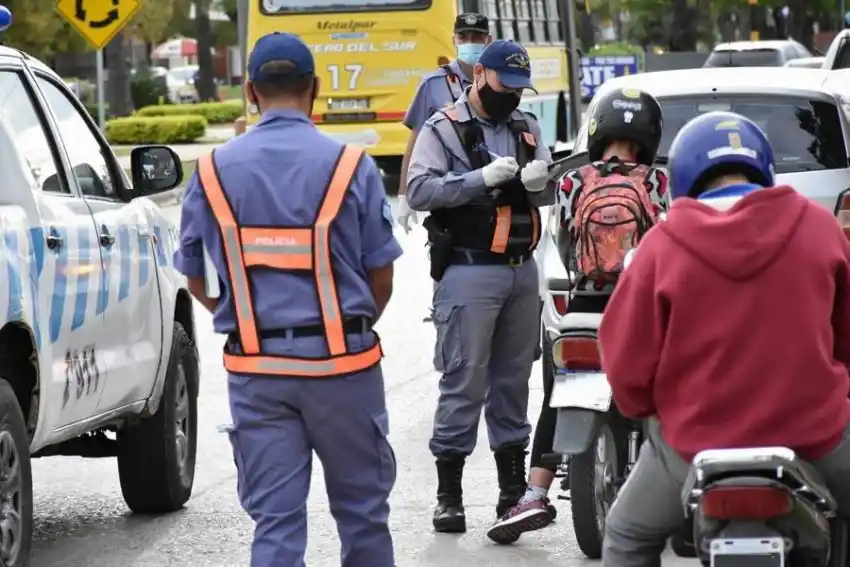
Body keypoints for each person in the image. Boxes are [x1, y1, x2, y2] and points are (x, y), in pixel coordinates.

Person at [172, 32, 402, 567]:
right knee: (364, 516)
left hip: (258, 372)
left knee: (275, 525)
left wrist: (249, 323)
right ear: (314, 90)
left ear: (250, 92)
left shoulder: (210, 172)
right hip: (345, 368)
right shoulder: (352, 166)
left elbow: (198, 282)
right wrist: (344, 331)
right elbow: (381, 277)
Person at [597, 111, 850, 567]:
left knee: (626, 537)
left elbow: (627, 368)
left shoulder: (661, 246)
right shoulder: (821, 228)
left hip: (693, 441)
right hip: (815, 434)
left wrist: (648, 409)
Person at [486, 86, 668, 544]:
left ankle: (533, 493)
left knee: (560, 384)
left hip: (587, 302)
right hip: (643, 304)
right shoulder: (656, 181)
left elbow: (565, 246)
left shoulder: (572, 180)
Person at [406, 38, 556, 541]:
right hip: (469, 269)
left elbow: (550, 189)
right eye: (504, 85)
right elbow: (419, 189)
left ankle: (512, 494)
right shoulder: (443, 128)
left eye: (519, 88)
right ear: (479, 77)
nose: (512, 96)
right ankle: (450, 495)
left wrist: (542, 181)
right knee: (464, 378)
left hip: (521, 269)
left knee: (514, 382)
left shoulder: (527, 127)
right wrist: (478, 179)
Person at [396, 13, 492, 233]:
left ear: (488, 40)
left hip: (492, 193)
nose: (469, 43)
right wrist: (403, 193)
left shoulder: (496, 81)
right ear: (454, 40)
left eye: (477, 37)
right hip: (450, 194)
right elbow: (415, 140)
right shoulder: (434, 84)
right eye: (463, 37)